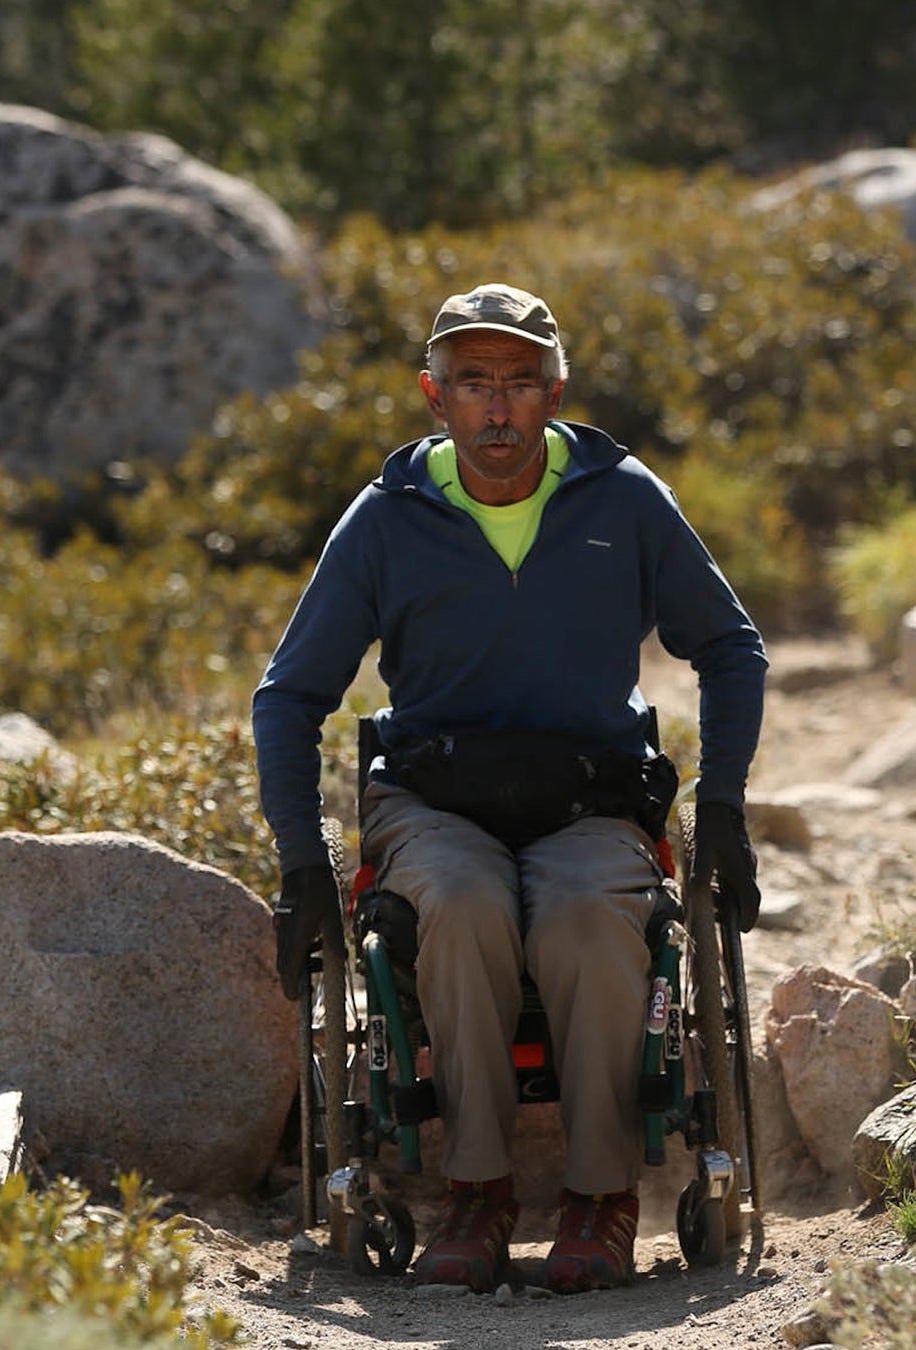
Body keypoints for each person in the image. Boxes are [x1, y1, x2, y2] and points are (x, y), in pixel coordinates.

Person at [252, 282, 766, 1294]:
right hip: (434, 798)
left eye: (521, 383)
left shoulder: (622, 499)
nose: (498, 408)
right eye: (474, 383)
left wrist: (724, 811)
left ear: (555, 393)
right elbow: (290, 695)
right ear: (434, 396)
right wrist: (302, 863)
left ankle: (601, 1198)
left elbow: (730, 648)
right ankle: (477, 1192)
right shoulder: (388, 518)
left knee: (586, 916)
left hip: (590, 795)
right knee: (462, 905)